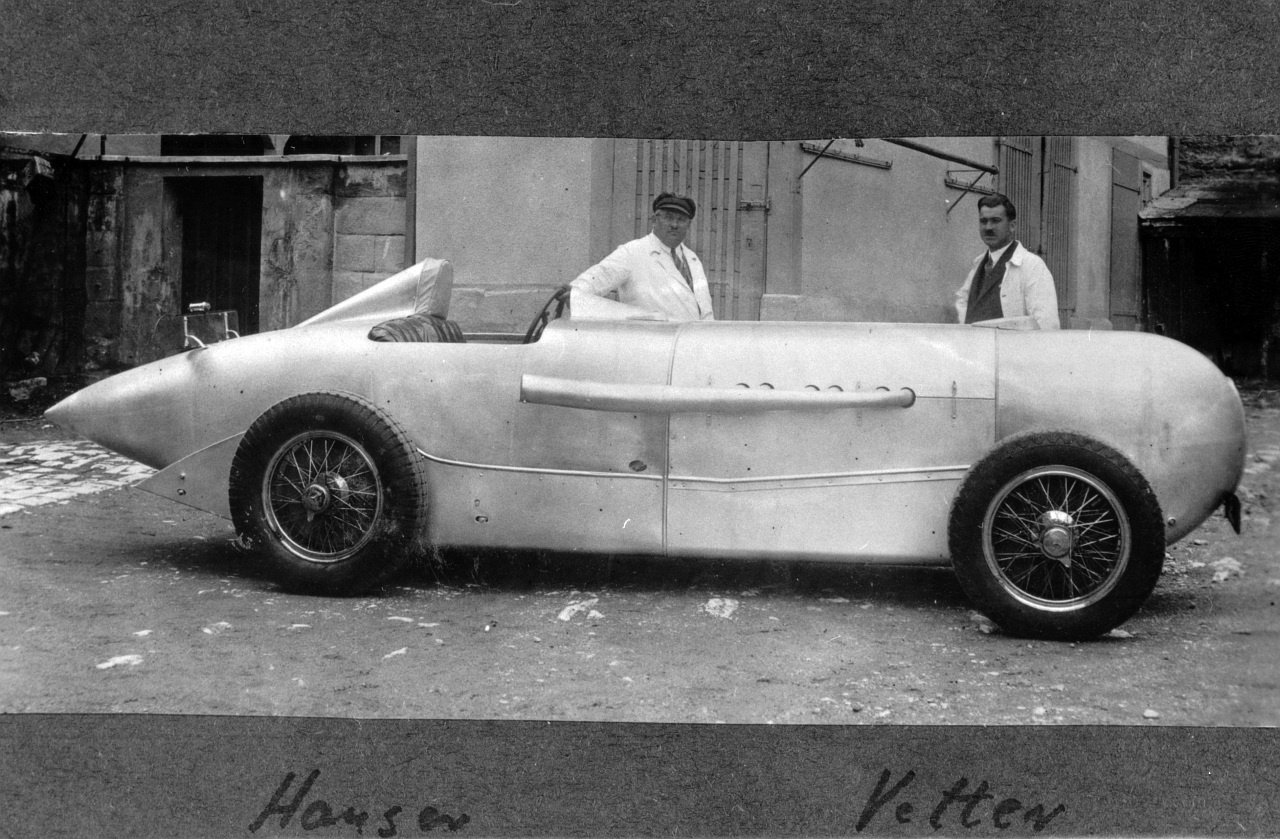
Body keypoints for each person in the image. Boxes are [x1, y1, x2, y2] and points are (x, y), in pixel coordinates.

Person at [569, 192, 715, 321]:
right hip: (651, 339)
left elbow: (704, 308)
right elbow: (597, 278)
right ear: (654, 220)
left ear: (689, 225)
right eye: (668, 218)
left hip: (693, 339)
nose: (674, 225)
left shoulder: (692, 259)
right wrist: (574, 292)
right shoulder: (632, 252)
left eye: (681, 219)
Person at [954, 194, 1061, 330]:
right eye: (983, 221)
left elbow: (1047, 324)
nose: (988, 227)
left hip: (1012, 343)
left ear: (1012, 226)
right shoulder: (978, 263)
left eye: (996, 221)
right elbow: (963, 305)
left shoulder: (1032, 266)